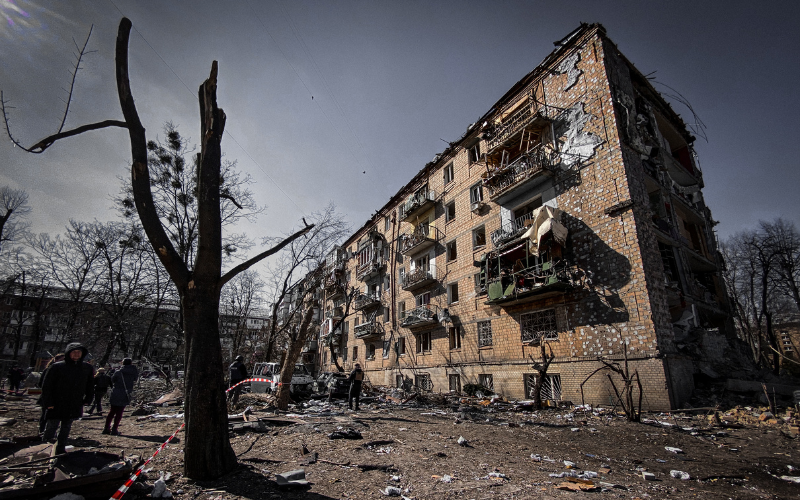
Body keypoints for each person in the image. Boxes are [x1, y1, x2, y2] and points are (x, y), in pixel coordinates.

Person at [40, 344, 94, 455]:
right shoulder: (57, 367)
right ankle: (44, 451)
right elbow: (47, 386)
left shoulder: (86, 368)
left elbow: (90, 385)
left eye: (79, 352)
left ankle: (60, 450)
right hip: (56, 402)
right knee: (51, 427)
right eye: (74, 352)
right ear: (68, 353)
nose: (76, 354)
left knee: (66, 428)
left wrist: (88, 399)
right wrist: (48, 402)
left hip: (73, 403)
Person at [104, 358, 138, 435]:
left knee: (112, 411)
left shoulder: (119, 372)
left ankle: (106, 428)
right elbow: (135, 379)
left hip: (116, 392)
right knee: (120, 412)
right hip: (126, 392)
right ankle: (115, 429)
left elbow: (113, 380)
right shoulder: (134, 371)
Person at [37, 353, 64, 434]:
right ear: (56, 360)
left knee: (55, 417)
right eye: (61, 360)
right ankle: (42, 431)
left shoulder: (65, 372)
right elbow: (41, 384)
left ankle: (51, 432)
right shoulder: (49, 370)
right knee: (45, 415)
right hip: (48, 396)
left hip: (59, 398)